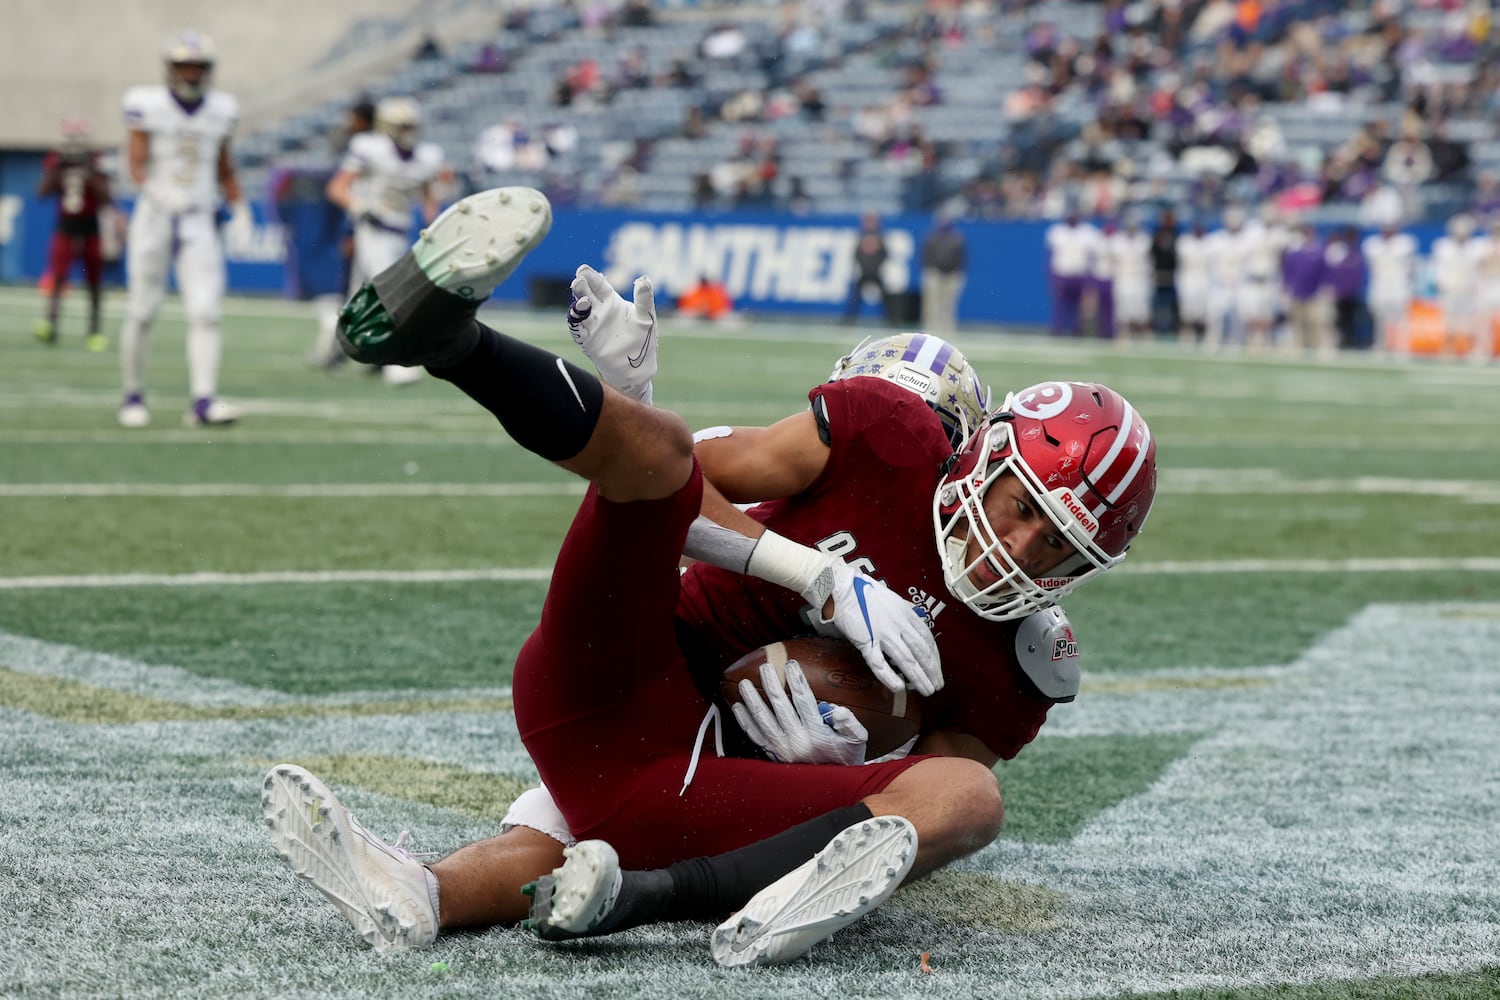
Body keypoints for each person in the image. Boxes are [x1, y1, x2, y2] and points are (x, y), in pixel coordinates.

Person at [263, 186, 1157, 966]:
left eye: (1062, 546)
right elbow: (673, 492)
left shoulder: (1023, 657)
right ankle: (447, 340)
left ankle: (423, 894)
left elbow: (927, 814)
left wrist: (829, 783)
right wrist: (817, 576)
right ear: (976, 454)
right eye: (1022, 505)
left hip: (703, 785)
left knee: (971, 796)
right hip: (629, 672)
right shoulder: (875, 441)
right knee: (656, 452)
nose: (1025, 546)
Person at [117, 29, 250, 429]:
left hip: (198, 215)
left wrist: (239, 205)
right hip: (155, 213)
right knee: (142, 310)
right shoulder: (147, 104)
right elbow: (136, 162)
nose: (191, 74)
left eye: (197, 67)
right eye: (184, 66)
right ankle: (133, 394)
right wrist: (154, 188)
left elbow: (224, 165)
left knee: (206, 311)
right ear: (171, 69)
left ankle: (203, 402)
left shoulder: (222, 109)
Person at [324, 95, 447, 386]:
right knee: (390, 292)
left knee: (361, 294)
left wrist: (436, 226)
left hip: (400, 231)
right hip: (372, 228)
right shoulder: (370, 149)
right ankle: (395, 364)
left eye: (410, 126)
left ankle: (335, 340)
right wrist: (359, 207)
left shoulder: (427, 156)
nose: (406, 132)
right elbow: (338, 188)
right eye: (400, 126)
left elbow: (429, 197)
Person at [307, 99, 376, 370]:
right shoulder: (367, 145)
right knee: (363, 292)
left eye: (353, 118)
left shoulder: (367, 148)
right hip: (365, 224)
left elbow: (359, 191)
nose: (349, 124)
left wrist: (349, 231)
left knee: (356, 292)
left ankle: (342, 350)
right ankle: (356, 351)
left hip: (367, 227)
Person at [34, 117, 111, 352]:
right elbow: (42, 193)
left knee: (93, 281)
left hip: (90, 226)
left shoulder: (97, 159)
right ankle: (51, 323)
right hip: (65, 225)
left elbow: (106, 197)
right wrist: (57, 169)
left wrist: (89, 171)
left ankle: (94, 329)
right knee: (58, 276)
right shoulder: (56, 160)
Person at [1361, 218, 1417, 356]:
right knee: (1380, 319)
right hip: (1380, 286)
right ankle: (1381, 344)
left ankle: (1402, 347)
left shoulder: (1405, 243)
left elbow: (1411, 267)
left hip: (1399, 286)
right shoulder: (1372, 244)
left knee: (1401, 319)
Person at [1044, 210, 1099, 337]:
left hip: (1081, 274)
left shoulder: (1088, 232)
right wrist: (1052, 275)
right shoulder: (1057, 232)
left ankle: (1078, 329)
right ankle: (1057, 328)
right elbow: (1050, 255)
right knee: (1060, 304)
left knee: (1081, 305)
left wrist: (1091, 278)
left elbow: (1094, 256)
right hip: (1062, 273)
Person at [841, 212, 895, 325]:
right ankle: (847, 322)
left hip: (875, 272)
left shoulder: (880, 236)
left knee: (885, 300)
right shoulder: (862, 236)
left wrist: (877, 266)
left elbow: (885, 254)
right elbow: (856, 254)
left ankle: (890, 322)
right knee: (855, 300)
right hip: (864, 272)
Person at [919, 211, 967, 333]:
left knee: (948, 304)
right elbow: (925, 255)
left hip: (951, 274)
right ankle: (930, 327)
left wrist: (958, 272)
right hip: (934, 273)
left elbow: (962, 257)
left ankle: (947, 328)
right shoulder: (931, 237)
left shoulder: (957, 238)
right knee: (932, 302)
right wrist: (929, 269)